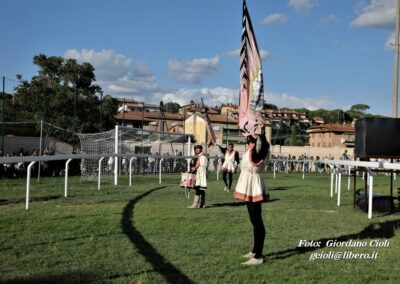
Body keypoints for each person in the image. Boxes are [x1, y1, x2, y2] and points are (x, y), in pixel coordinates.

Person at [233, 122, 270, 265]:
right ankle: (255, 250)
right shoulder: (251, 150)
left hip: (253, 186)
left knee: (257, 222)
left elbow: (264, 146)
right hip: (248, 185)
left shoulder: (258, 151)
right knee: (253, 221)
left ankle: (258, 256)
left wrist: (261, 133)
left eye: (250, 140)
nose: (248, 142)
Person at [187, 145, 208, 209]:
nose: (197, 150)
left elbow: (198, 165)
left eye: (198, 149)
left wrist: (194, 168)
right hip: (200, 173)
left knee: (198, 189)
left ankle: (195, 204)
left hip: (200, 174)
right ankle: (202, 204)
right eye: (196, 149)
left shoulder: (202, 156)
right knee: (201, 189)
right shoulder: (201, 156)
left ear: (201, 149)